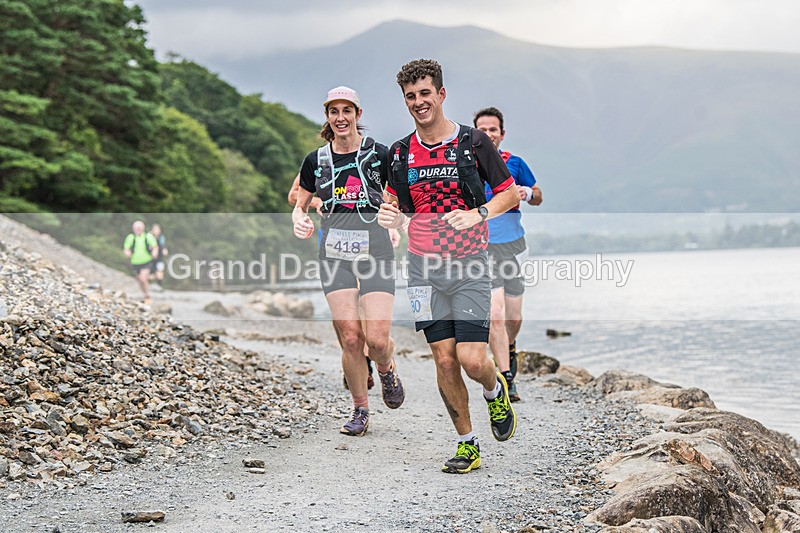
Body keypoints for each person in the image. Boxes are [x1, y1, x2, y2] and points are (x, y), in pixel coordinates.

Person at [378, 60, 520, 474]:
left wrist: (478, 214)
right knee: (444, 360)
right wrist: (390, 216)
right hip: (422, 269)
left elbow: (508, 195)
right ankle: (467, 444)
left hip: (470, 265)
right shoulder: (401, 152)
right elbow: (394, 201)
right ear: (405, 102)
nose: (419, 102)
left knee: (473, 359)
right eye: (410, 96)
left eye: (425, 93)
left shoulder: (474, 142)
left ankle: (495, 392)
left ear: (441, 94)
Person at [292, 85, 405, 436]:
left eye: (347, 111)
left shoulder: (380, 154)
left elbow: (403, 196)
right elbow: (300, 199)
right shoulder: (316, 160)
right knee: (351, 337)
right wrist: (299, 217)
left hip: (376, 250)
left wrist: (397, 220)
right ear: (327, 116)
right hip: (335, 254)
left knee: (377, 340)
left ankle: (385, 369)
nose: (340, 118)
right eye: (333, 112)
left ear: (358, 114)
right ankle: (360, 409)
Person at [474, 107, 542, 402]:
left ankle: (508, 349)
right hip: (482, 246)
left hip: (513, 245)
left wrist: (527, 192)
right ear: (475, 134)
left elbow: (539, 195)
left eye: (493, 130)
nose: (488, 134)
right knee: (496, 315)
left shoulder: (514, 163)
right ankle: (506, 378)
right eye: (482, 130)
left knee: (514, 318)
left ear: (502, 134)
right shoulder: (468, 165)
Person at [123, 221, 158, 305]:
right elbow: (126, 248)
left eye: (139, 228)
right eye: (136, 228)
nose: (138, 229)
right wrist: (127, 253)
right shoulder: (131, 237)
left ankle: (147, 296)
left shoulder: (148, 237)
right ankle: (145, 293)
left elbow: (155, 246)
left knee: (142, 278)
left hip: (146, 261)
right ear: (133, 228)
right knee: (139, 280)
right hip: (135, 262)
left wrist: (154, 252)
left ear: (143, 228)